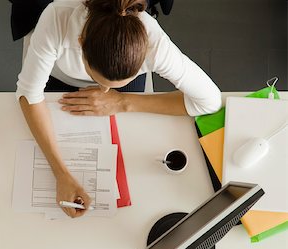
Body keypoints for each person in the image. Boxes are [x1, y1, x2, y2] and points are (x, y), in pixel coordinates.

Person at [16, 0, 221, 218]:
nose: (102, 90)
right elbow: (29, 94)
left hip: (121, 93)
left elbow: (209, 101)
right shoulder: (57, 17)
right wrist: (61, 174)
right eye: (99, 81)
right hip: (61, 74)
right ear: (81, 43)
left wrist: (122, 102)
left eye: (111, 86)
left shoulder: (155, 44)